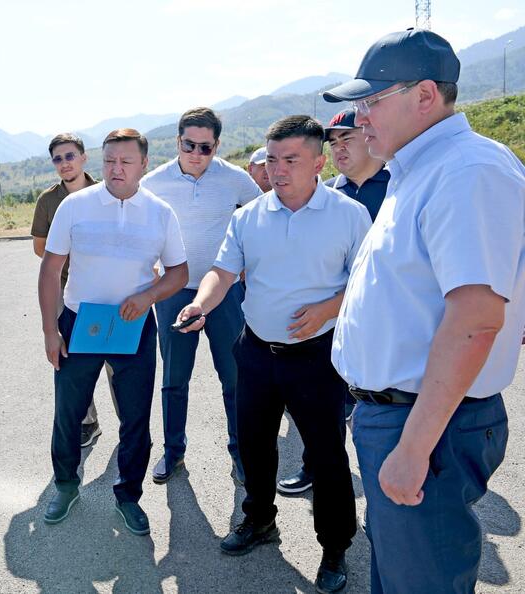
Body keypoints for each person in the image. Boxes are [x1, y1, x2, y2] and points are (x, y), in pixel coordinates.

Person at [324, 28, 525, 593]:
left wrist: (413, 449)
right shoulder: (422, 168)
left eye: (371, 101)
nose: (360, 117)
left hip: (426, 424)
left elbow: (475, 320)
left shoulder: (466, 171)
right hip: (404, 415)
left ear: (426, 95)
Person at [177, 115, 370, 593]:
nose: (277, 170)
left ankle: (334, 546)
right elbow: (223, 272)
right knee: (255, 444)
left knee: (326, 454)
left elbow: (368, 283)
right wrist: (201, 304)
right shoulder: (249, 216)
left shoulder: (349, 215)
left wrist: (327, 308)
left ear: (319, 163)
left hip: (316, 356)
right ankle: (260, 519)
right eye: (271, 159)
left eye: (290, 160)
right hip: (257, 351)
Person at [38, 128, 188, 535]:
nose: (116, 169)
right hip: (79, 322)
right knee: (69, 412)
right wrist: (51, 330)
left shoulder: (160, 212)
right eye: (109, 161)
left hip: (133, 325)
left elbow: (179, 272)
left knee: (136, 416)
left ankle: (128, 496)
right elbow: (50, 270)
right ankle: (66, 486)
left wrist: (149, 296)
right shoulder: (75, 206)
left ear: (143, 164)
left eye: (125, 162)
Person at [141, 107, 259, 485]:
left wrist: (248, 262)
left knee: (235, 377)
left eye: (205, 147)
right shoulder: (153, 183)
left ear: (216, 145)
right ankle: (173, 451)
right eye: (188, 144)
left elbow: (263, 216)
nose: (196, 153)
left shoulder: (235, 179)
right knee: (174, 378)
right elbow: (139, 229)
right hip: (174, 292)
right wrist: (149, 269)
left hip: (225, 293)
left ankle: (241, 452)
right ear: (177, 141)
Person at [278, 108, 389, 496]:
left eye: (348, 138)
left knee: (384, 410)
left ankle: (386, 487)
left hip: (387, 324)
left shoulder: (401, 187)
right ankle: (317, 466)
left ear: (370, 136)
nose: (339, 148)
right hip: (331, 325)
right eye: (334, 142)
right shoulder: (323, 196)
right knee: (322, 406)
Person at [31, 133, 117, 447]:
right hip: (66, 289)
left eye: (69, 156)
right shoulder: (47, 201)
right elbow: (40, 248)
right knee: (73, 358)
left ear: (83, 157)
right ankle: (88, 422)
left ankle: (127, 422)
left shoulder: (107, 192)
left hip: (105, 287)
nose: (64, 163)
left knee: (115, 360)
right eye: (58, 158)